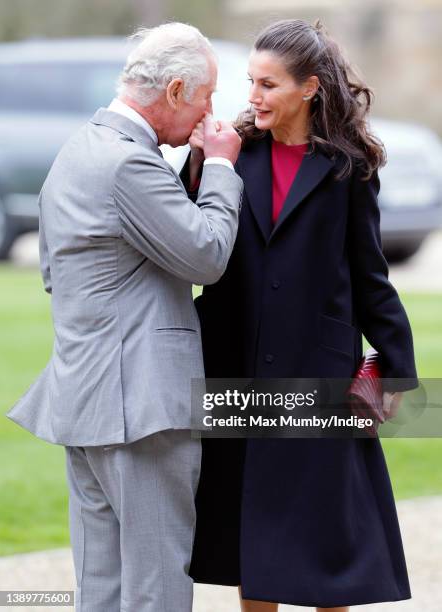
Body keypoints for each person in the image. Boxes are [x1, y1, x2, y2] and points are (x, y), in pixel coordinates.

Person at [7, 22, 243, 612]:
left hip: (84, 399)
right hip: (141, 409)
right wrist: (218, 169)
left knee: (102, 589)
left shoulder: (79, 149)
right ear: (174, 91)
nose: (211, 110)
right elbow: (208, 255)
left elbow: (53, 275)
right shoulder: (127, 165)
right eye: (207, 95)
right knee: (157, 588)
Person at [185, 19, 418, 612]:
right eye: (250, 83)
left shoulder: (349, 169)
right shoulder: (231, 156)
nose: (253, 97)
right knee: (250, 529)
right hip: (237, 363)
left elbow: (370, 278)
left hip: (320, 372)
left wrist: (395, 369)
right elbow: (188, 235)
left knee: (323, 540)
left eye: (268, 85)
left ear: (309, 87)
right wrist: (196, 165)